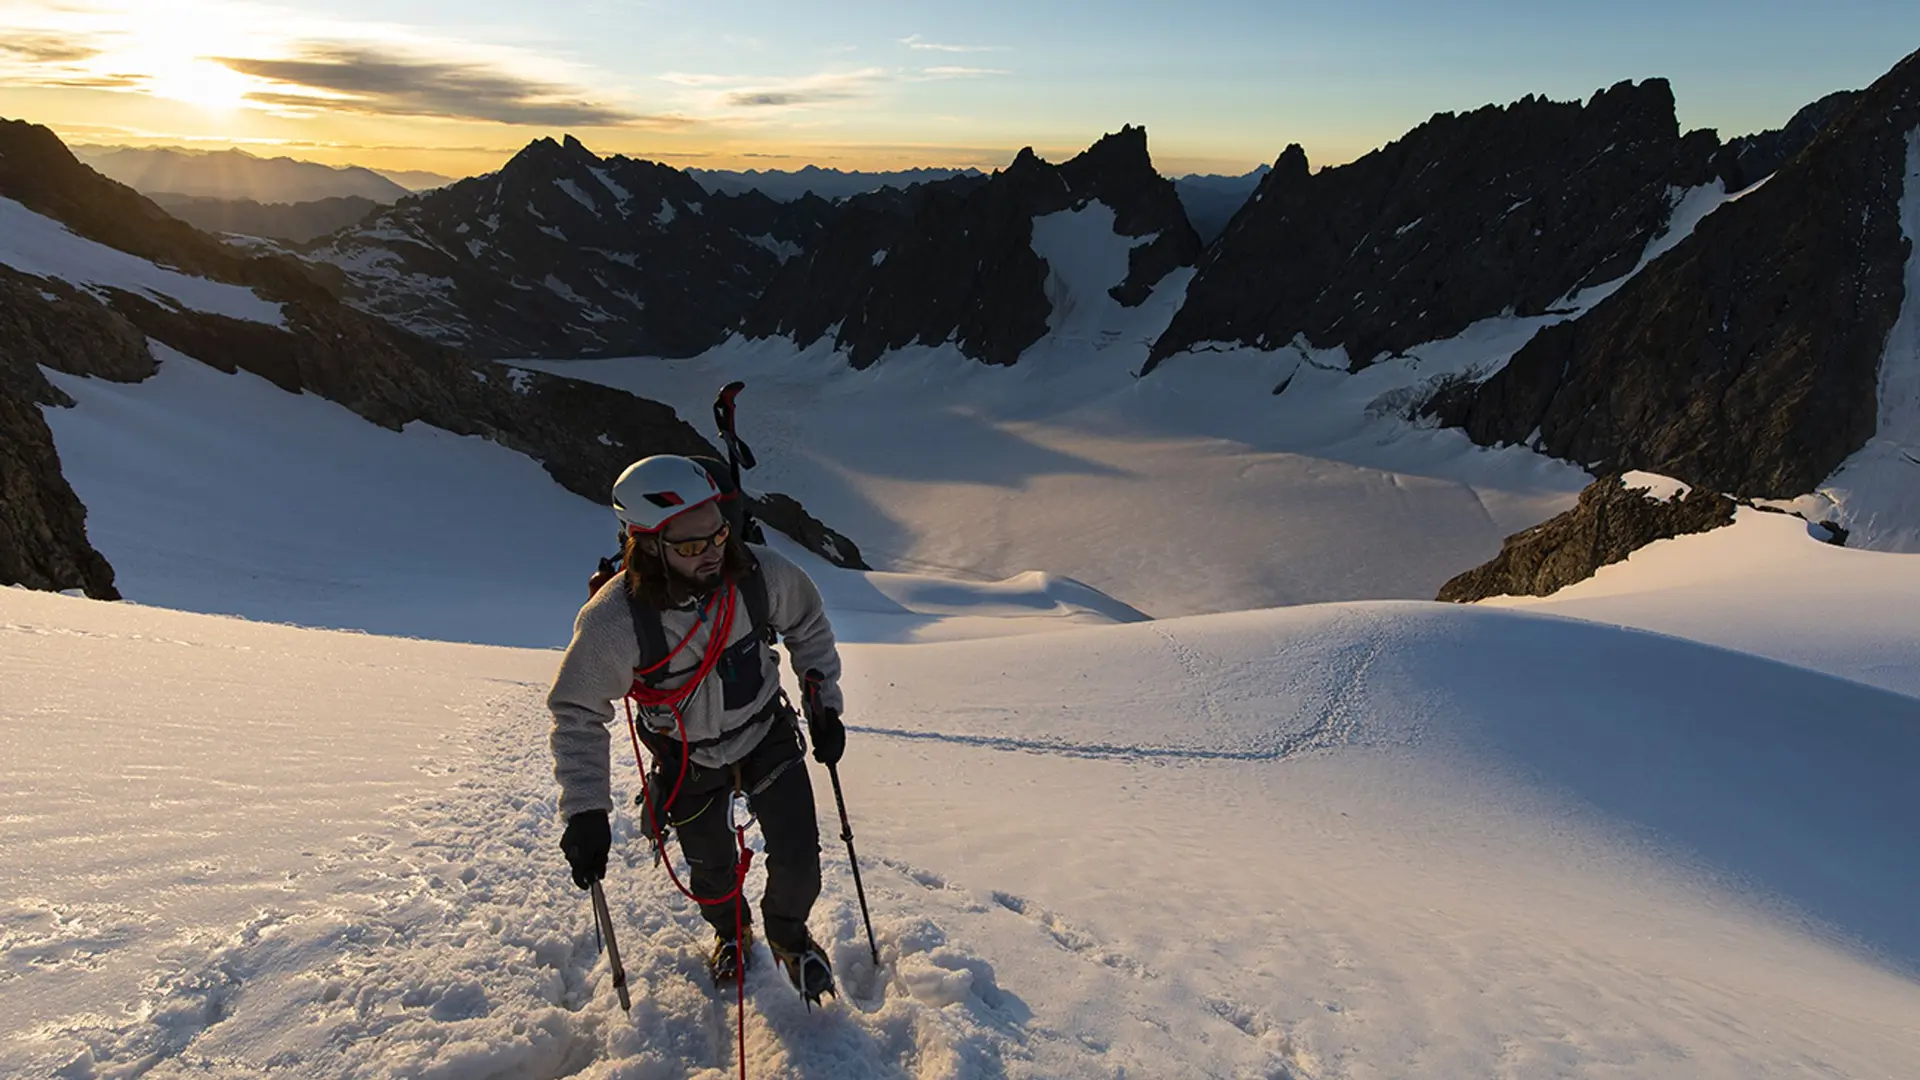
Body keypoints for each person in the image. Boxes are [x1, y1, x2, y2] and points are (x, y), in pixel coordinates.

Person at [547, 454, 847, 1002]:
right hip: (686, 755)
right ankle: (732, 932)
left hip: (765, 731)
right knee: (711, 870)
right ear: (647, 543)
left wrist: (824, 705)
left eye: (716, 536)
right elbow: (578, 711)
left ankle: (787, 935)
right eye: (690, 546)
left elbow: (808, 624)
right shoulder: (615, 621)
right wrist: (586, 808)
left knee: (800, 857)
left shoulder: (757, 574)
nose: (712, 553)